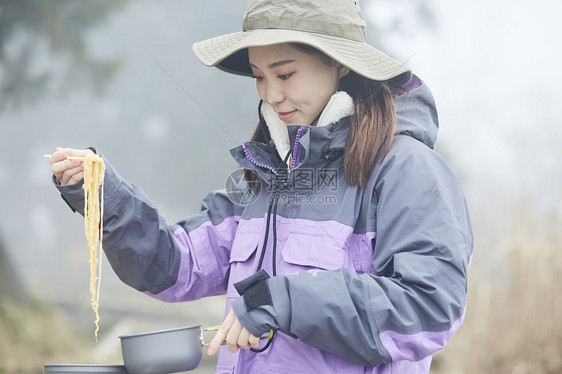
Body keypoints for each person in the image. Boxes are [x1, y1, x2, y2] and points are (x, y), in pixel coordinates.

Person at [47, 0, 473, 373]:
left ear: (339, 63)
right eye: (259, 77)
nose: (271, 95)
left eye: (285, 75)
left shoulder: (407, 170)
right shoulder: (262, 180)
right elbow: (171, 268)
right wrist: (106, 196)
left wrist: (283, 301)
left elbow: (429, 307)